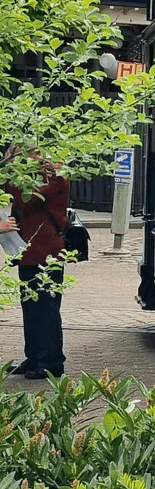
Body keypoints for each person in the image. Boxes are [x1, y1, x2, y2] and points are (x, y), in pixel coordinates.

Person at [4, 154, 71, 379]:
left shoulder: (55, 172)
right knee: (31, 306)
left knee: (46, 307)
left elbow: (28, 198)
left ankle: (52, 361)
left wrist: (9, 175)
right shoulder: (31, 171)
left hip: (47, 251)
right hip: (27, 250)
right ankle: (34, 355)